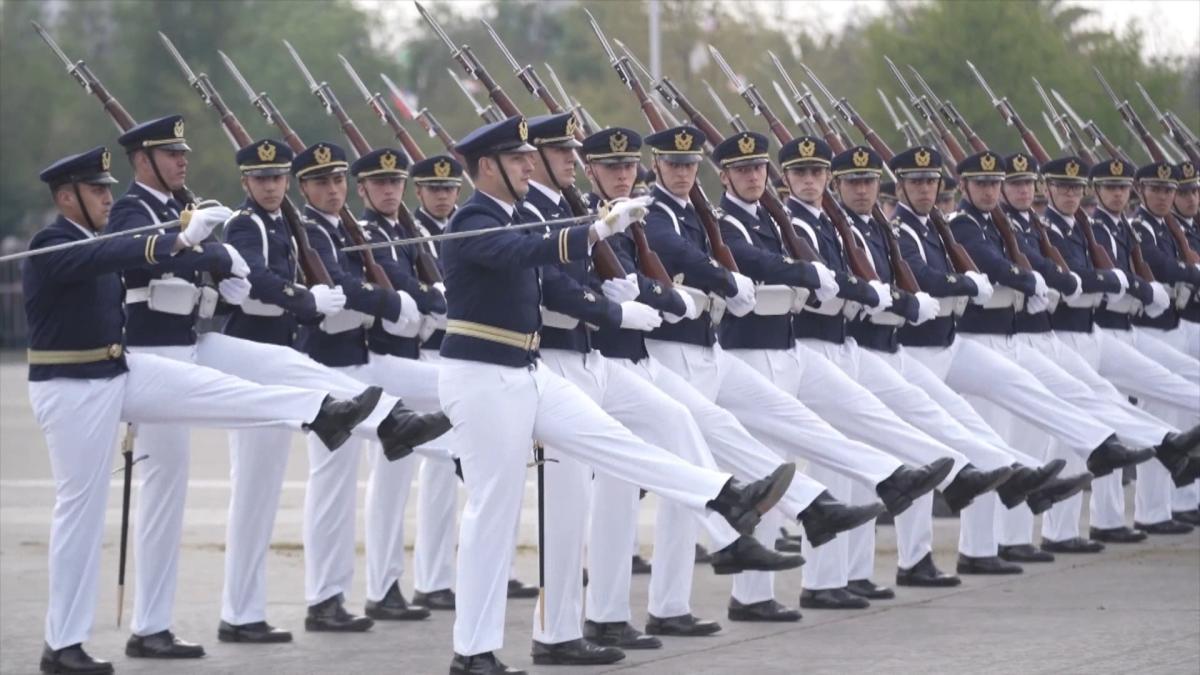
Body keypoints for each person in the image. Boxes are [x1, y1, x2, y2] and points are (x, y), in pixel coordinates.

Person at [438, 115, 800, 675]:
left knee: (614, 441)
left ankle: (722, 497)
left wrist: (607, 281)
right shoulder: (474, 218)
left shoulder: (508, 215)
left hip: (527, 369)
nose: (529, 165)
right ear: (488, 167)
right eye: (517, 160)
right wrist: (597, 232)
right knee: (493, 510)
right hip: (481, 377)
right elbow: (520, 253)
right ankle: (473, 651)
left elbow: (540, 261)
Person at [26, 146, 381, 674]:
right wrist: (181, 240)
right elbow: (108, 257)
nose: (106, 195)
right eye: (96, 190)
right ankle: (63, 644)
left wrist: (204, 256)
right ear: (65, 197)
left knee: (221, 389)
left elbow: (116, 258)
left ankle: (318, 409)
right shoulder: (51, 243)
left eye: (106, 188)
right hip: (71, 387)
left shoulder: (95, 240)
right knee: (81, 511)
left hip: (115, 372)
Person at [217, 138, 448, 644]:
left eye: (337, 180)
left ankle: (285, 604)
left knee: (304, 488)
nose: (333, 189)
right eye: (320, 181)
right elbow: (271, 281)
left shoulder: (299, 227)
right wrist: (384, 301)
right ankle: (292, 603)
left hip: (315, 367)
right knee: (276, 491)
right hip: (280, 368)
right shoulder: (250, 225)